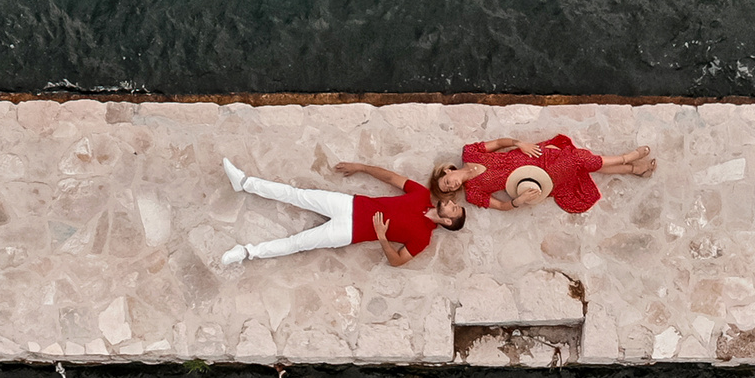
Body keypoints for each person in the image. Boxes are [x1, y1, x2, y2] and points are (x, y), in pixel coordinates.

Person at [218, 158, 448, 267]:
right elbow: (390, 178)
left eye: (453, 209)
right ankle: (245, 183)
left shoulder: (423, 238)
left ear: (448, 220)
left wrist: (382, 238)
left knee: (297, 243)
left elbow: (397, 261)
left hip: (347, 232)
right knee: (295, 194)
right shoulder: (422, 195)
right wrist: (362, 168)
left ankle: (246, 253)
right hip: (348, 204)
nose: (450, 203)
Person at [439, 134, 656, 215]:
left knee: (579, 164)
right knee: (577, 160)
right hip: (538, 177)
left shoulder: (469, 152)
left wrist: (520, 143)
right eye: (449, 189)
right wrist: (519, 201)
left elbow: (497, 143)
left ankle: (634, 169)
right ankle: (625, 159)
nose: (450, 185)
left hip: (534, 155)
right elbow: (502, 206)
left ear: (448, 171)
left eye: (446, 181)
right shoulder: (473, 193)